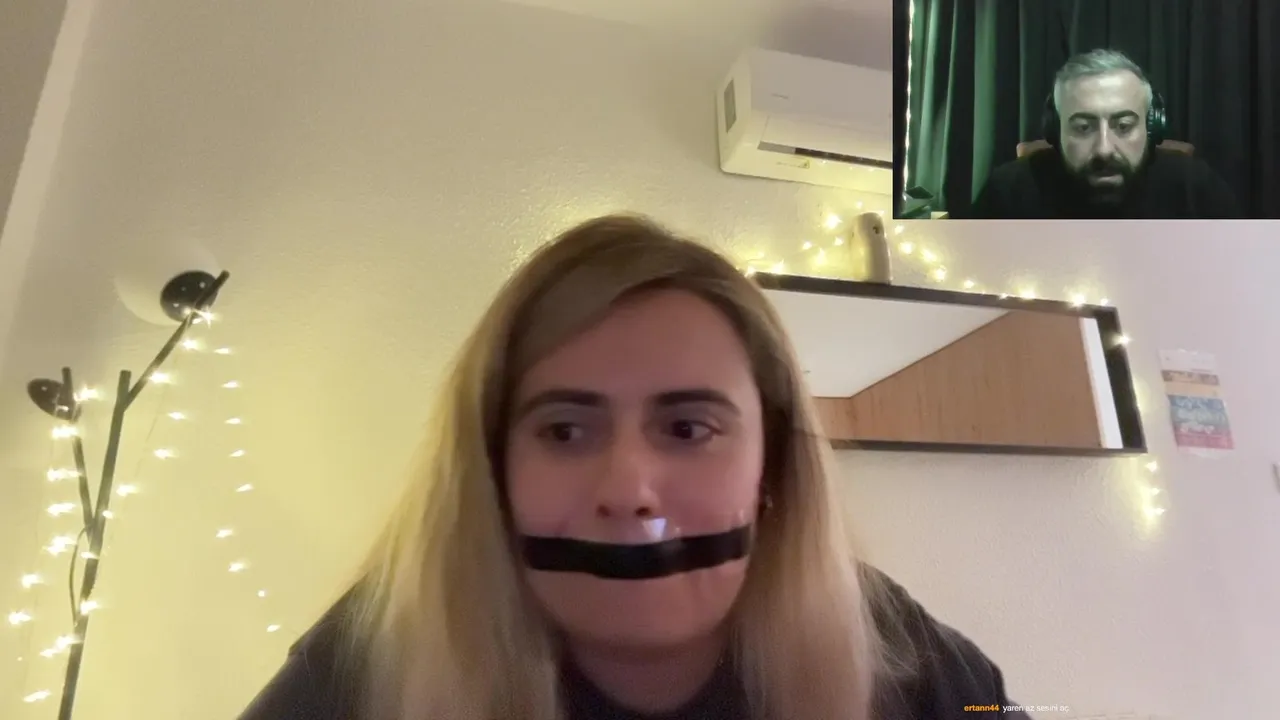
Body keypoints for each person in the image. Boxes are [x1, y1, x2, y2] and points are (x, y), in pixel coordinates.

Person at [237, 215, 1031, 720]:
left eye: (687, 428)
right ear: (493, 469)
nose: (628, 493)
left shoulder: (893, 645)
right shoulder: (372, 661)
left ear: (772, 469)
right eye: (563, 431)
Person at [968, 48, 1242, 219]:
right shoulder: (1007, 193)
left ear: (1152, 126)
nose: (1104, 149)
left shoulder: (1196, 190)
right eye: (1083, 128)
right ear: (1055, 128)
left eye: (1123, 126)